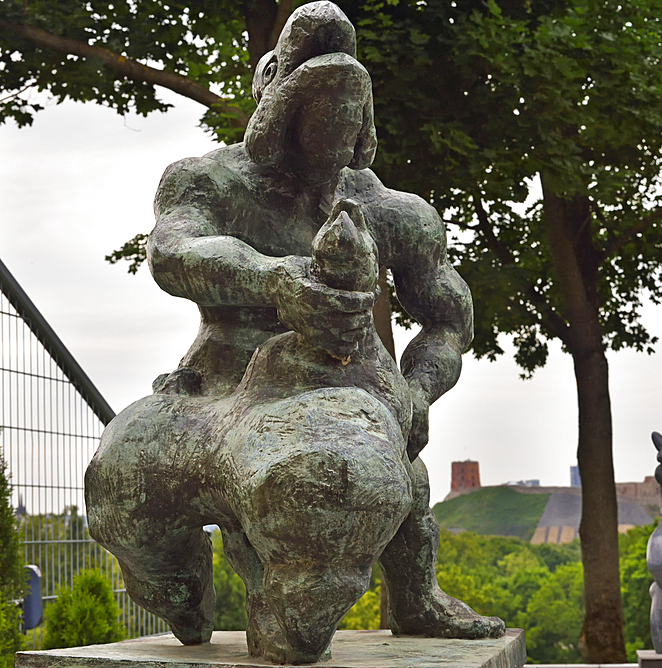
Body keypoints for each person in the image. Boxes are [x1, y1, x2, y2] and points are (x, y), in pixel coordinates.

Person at [84, 3, 502, 663]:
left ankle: (416, 597)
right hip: (214, 393)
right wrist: (272, 278)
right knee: (121, 495)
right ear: (266, 89)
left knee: (377, 482)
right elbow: (173, 253)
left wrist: (416, 392)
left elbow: (448, 319)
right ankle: (177, 588)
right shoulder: (207, 180)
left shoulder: (394, 213)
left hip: (342, 394)